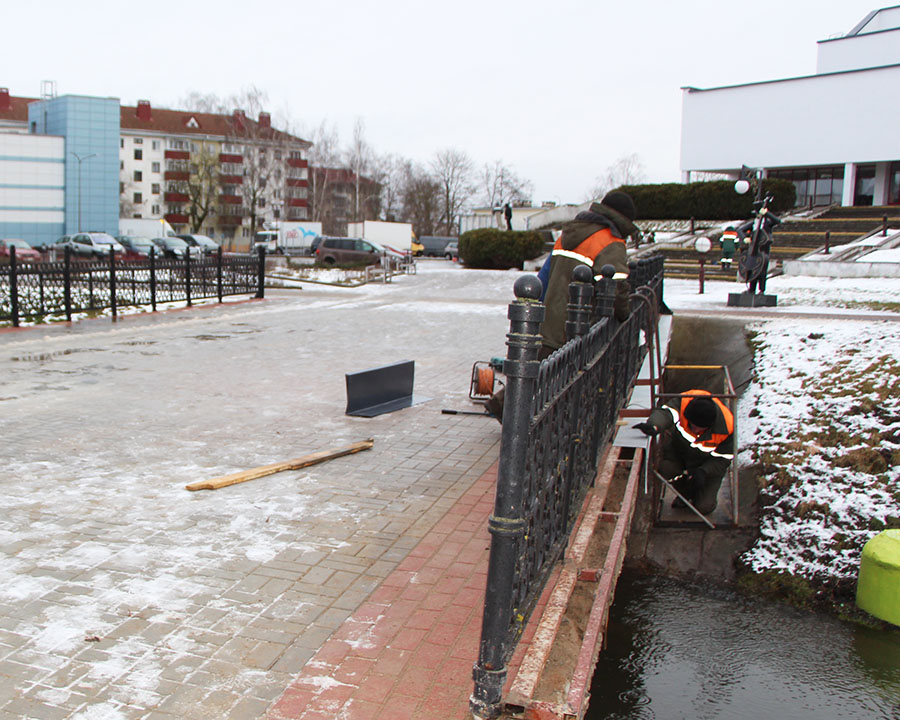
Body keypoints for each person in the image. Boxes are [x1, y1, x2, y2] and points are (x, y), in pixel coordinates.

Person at [484, 191, 638, 423]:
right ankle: (509, 411)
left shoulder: (571, 232)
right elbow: (616, 286)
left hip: (551, 313)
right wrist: (624, 312)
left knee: (541, 368)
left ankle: (508, 409)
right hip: (577, 318)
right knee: (554, 372)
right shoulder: (610, 241)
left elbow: (546, 273)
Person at [539, 190, 637, 355]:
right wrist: (625, 315)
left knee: (546, 376)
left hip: (548, 328)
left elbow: (544, 278)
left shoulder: (566, 235)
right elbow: (617, 290)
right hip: (579, 332)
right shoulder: (610, 241)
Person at [634, 390, 734, 514]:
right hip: (680, 452)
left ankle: (698, 491)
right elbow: (666, 413)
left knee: (704, 507)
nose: (694, 429)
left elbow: (723, 460)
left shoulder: (727, 428)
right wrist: (654, 425)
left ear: (709, 426)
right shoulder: (684, 402)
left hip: (707, 463)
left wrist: (704, 471)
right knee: (666, 469)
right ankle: (684, 492)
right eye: (691, 425)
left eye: (698, 428)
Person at [737, 202, 781, 294]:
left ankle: (762, 289)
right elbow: (740, 230)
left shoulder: (767, 223)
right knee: (753, 267)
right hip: (753, 248)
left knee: (762, 270)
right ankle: (752, 289)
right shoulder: (754, 223)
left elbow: (777, 221)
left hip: (763, 249)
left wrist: (767, 213)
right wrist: (745, 238)